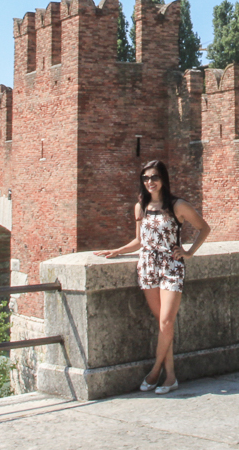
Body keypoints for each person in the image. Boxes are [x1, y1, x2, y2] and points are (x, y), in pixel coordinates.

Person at [95, 160, 210, 394]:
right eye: (146, 178)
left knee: (166, 321)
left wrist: (188, 252)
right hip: (147, 266)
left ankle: (155, 370)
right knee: (162, 325)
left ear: (163, 179)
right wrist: (117, 250)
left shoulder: (178, 206)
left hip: (171, 266)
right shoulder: (141, 207)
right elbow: (140, 240)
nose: (150, 182)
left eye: (154, 177)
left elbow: (204, 228)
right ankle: (171, 377)